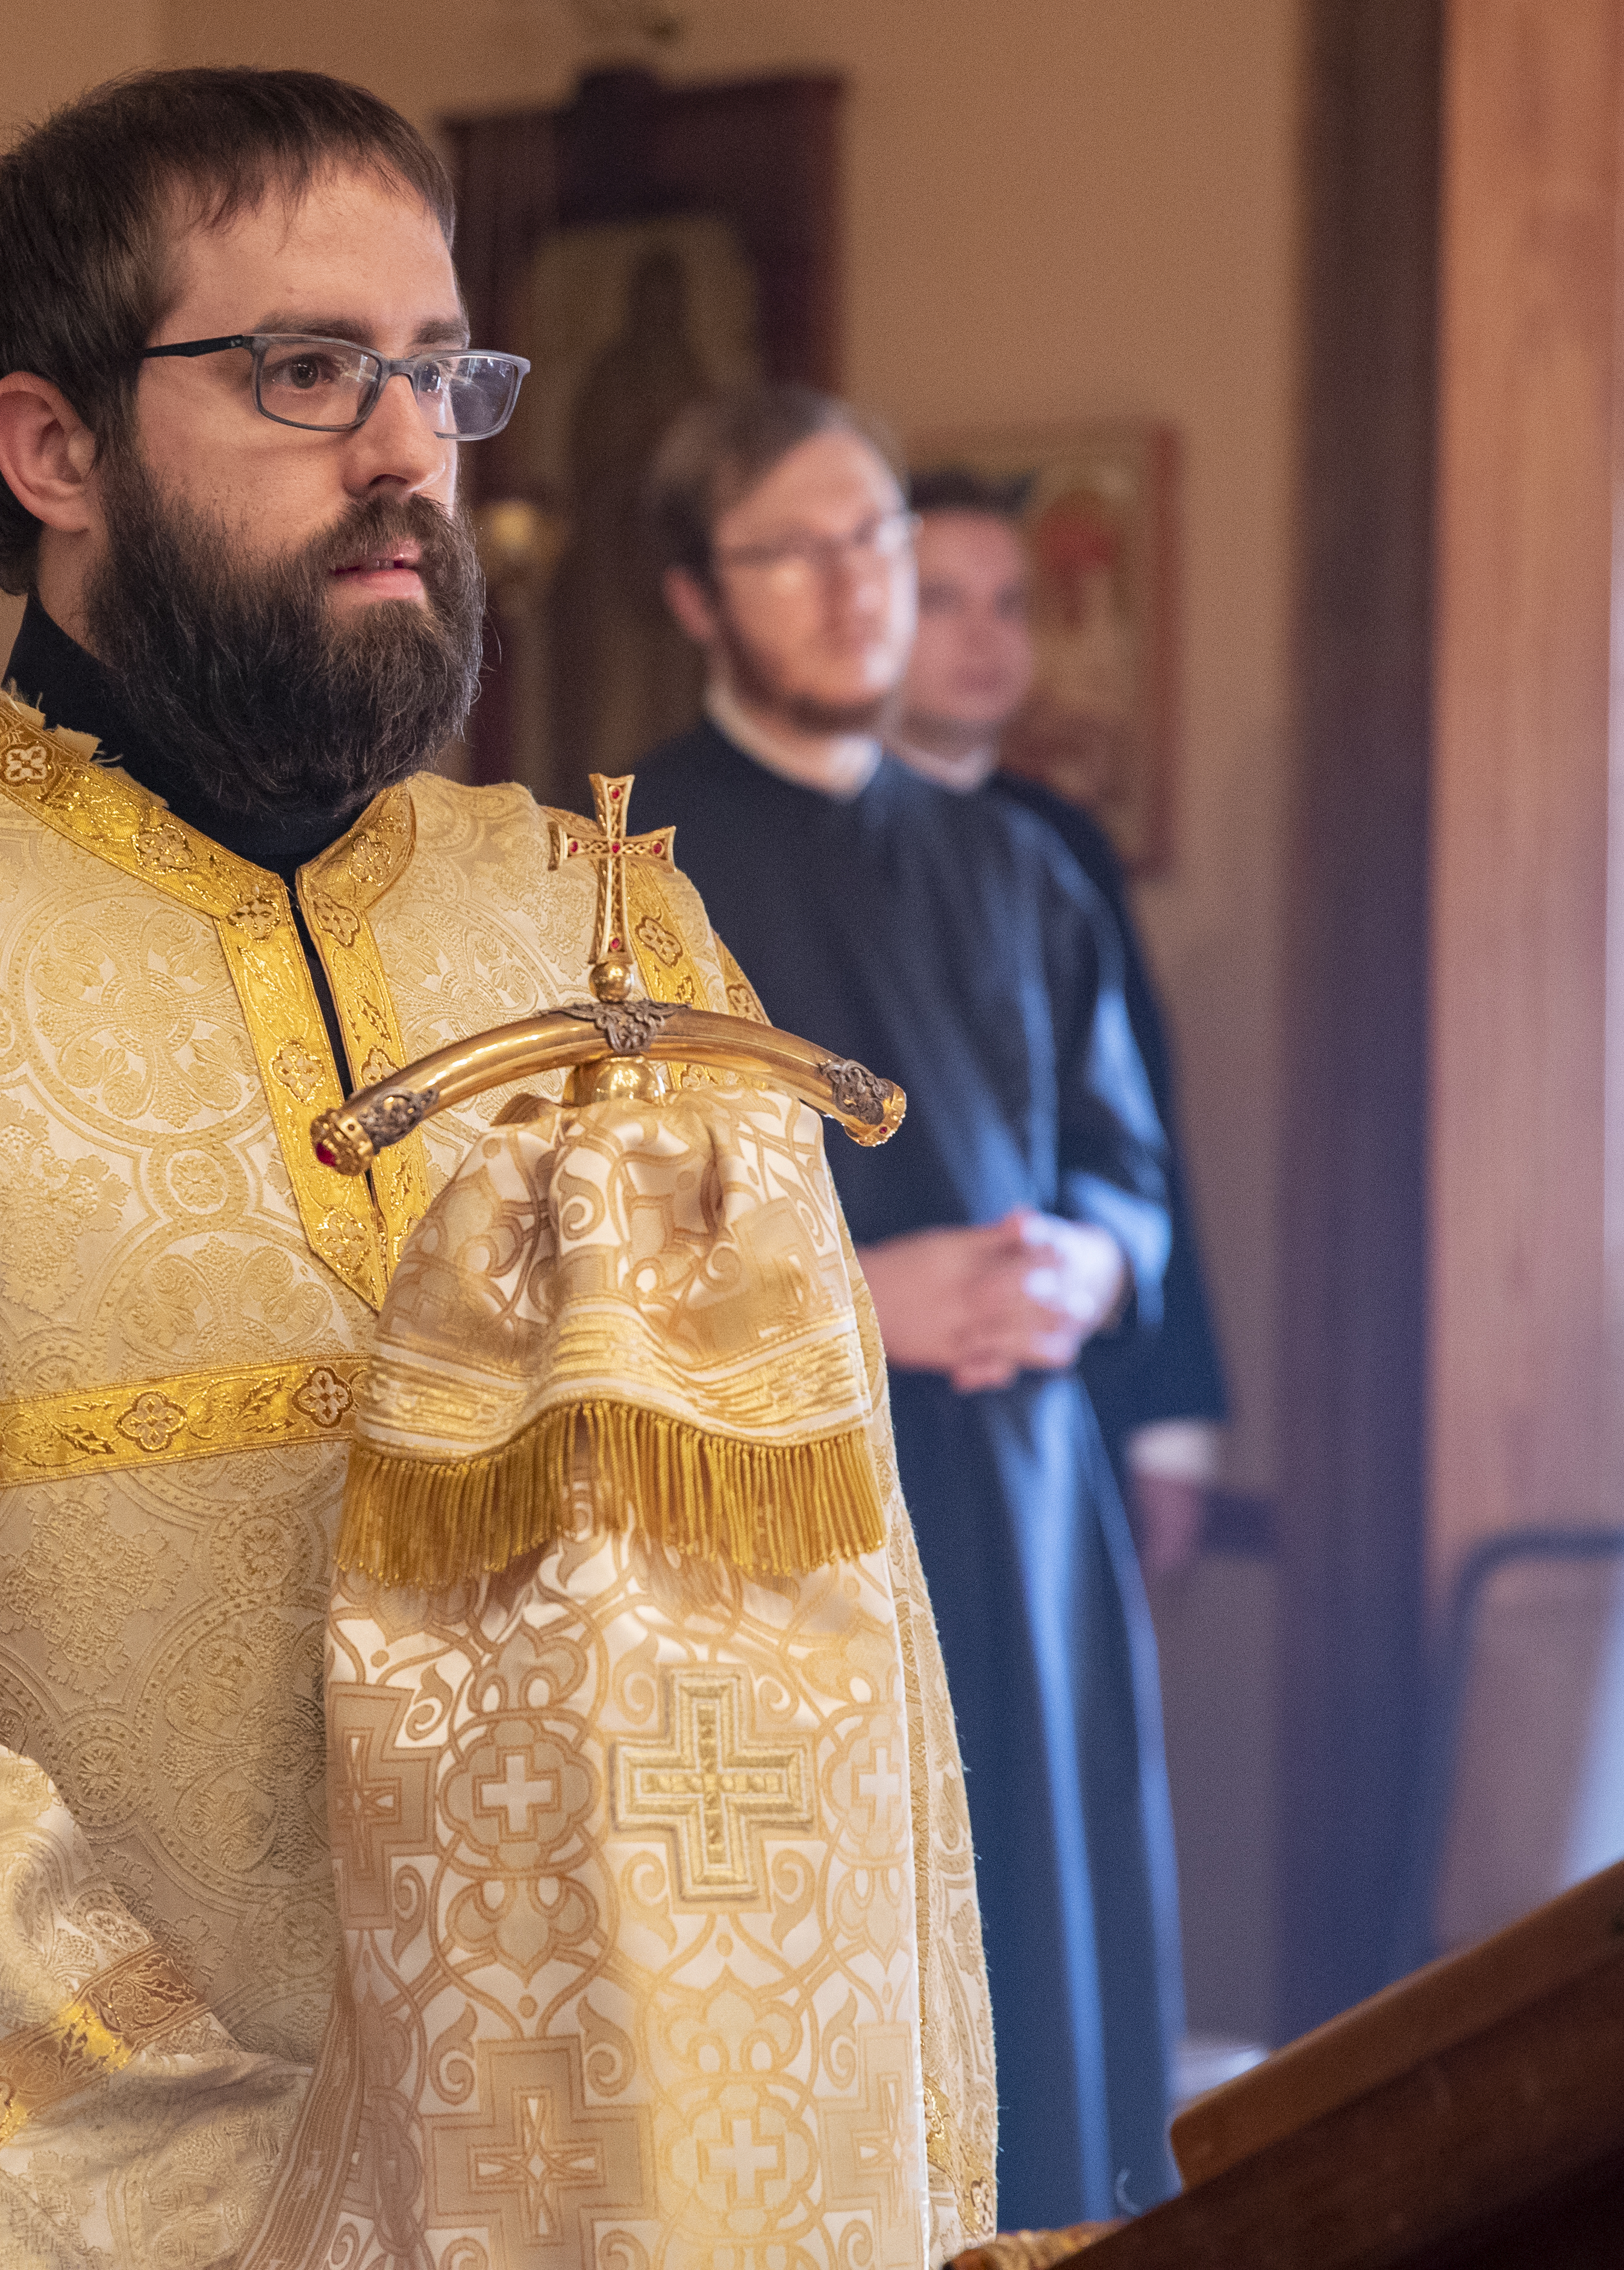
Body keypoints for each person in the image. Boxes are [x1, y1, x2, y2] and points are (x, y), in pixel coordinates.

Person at [0, 67, 996, 2262]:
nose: (406, 450)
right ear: (49, 446)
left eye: (441, 372)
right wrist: (250, 2213)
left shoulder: (605, 932)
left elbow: (830, 1645)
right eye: (308, 372)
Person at [625, 389, 1183, 2229]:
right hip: (777, 1525)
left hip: (1024, 1509)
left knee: (1050, 1974)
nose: (859, 588)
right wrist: (857, 1296)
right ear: (699, 600)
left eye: (876, 541)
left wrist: (1083, 1267)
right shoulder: (615, 879)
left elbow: (1128, 1174)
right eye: (796, 550)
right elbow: (552, 1255)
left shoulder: (1018, 863)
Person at [892, 468, 1231, 1592]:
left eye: (1011, 604)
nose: (985, 639)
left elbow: (1135, 1131)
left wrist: (1171, 1422)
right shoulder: (761, 844)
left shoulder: (1058, 845)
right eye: (944, 601)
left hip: (1049, 1371)